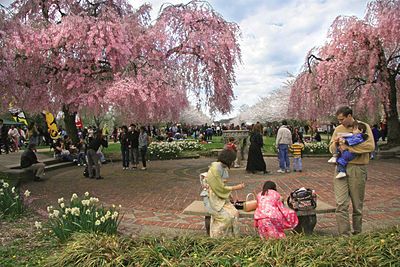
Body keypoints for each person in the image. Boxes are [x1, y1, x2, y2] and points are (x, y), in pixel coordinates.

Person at [329, 106, 374, 235]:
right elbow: (332, 149)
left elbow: (370, 145)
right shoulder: (338, 129)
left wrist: (349, 148)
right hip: (340, 168)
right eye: (338, 120)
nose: (340, 122)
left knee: (357, 205)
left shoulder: (363, 126)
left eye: (342, 119)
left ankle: (357, 233)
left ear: (349, 116)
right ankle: (344, 235)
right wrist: (336, 144)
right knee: (341, 204)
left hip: (357, 168)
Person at [205, 149, 245, 237]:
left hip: (221, 196)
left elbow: (222, 186)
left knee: (234, 213)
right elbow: (220, 188)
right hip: (214, 197)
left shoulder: (222, 167)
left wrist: (230, 197)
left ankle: (231, 236)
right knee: (225, 218)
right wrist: (237, 187)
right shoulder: (215, 169)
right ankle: (217, 236)